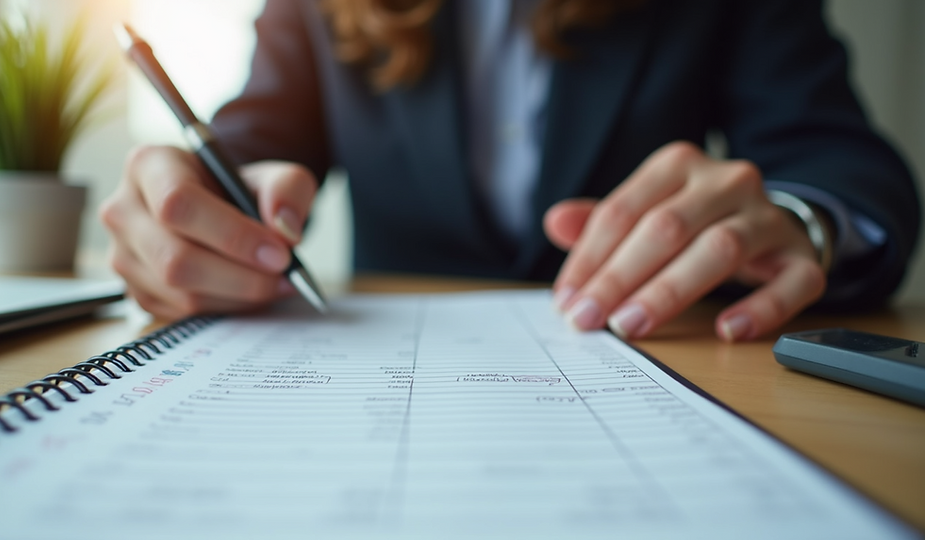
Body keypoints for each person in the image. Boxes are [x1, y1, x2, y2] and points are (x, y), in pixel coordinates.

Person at [100, 0, 920, 341]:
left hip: (663, 354)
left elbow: (840, 161)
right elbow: (251, 141)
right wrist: (192, 205)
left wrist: (802, 220)